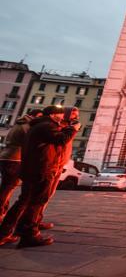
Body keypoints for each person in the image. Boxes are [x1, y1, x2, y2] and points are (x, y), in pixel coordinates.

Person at [0, 105, 80, 247]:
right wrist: (73, 129)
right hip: (42, 168)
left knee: (24, 201)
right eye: (60, 115)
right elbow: (61, 140)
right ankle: (29, 235)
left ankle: (8, 232)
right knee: (35, 202)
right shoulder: (46, 126)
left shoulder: (38, 125)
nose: (62, 118)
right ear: (54, 115)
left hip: (34, 168)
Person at [0, 109, 43, 221]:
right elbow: (30, 142)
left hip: (6, 156)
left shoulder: (19, 123)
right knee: (8, 187)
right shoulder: (27, 126)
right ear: (33, 116)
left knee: (6, 186)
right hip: (15, 158)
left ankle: (3, 211)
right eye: (39, 117)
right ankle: (1, 212)